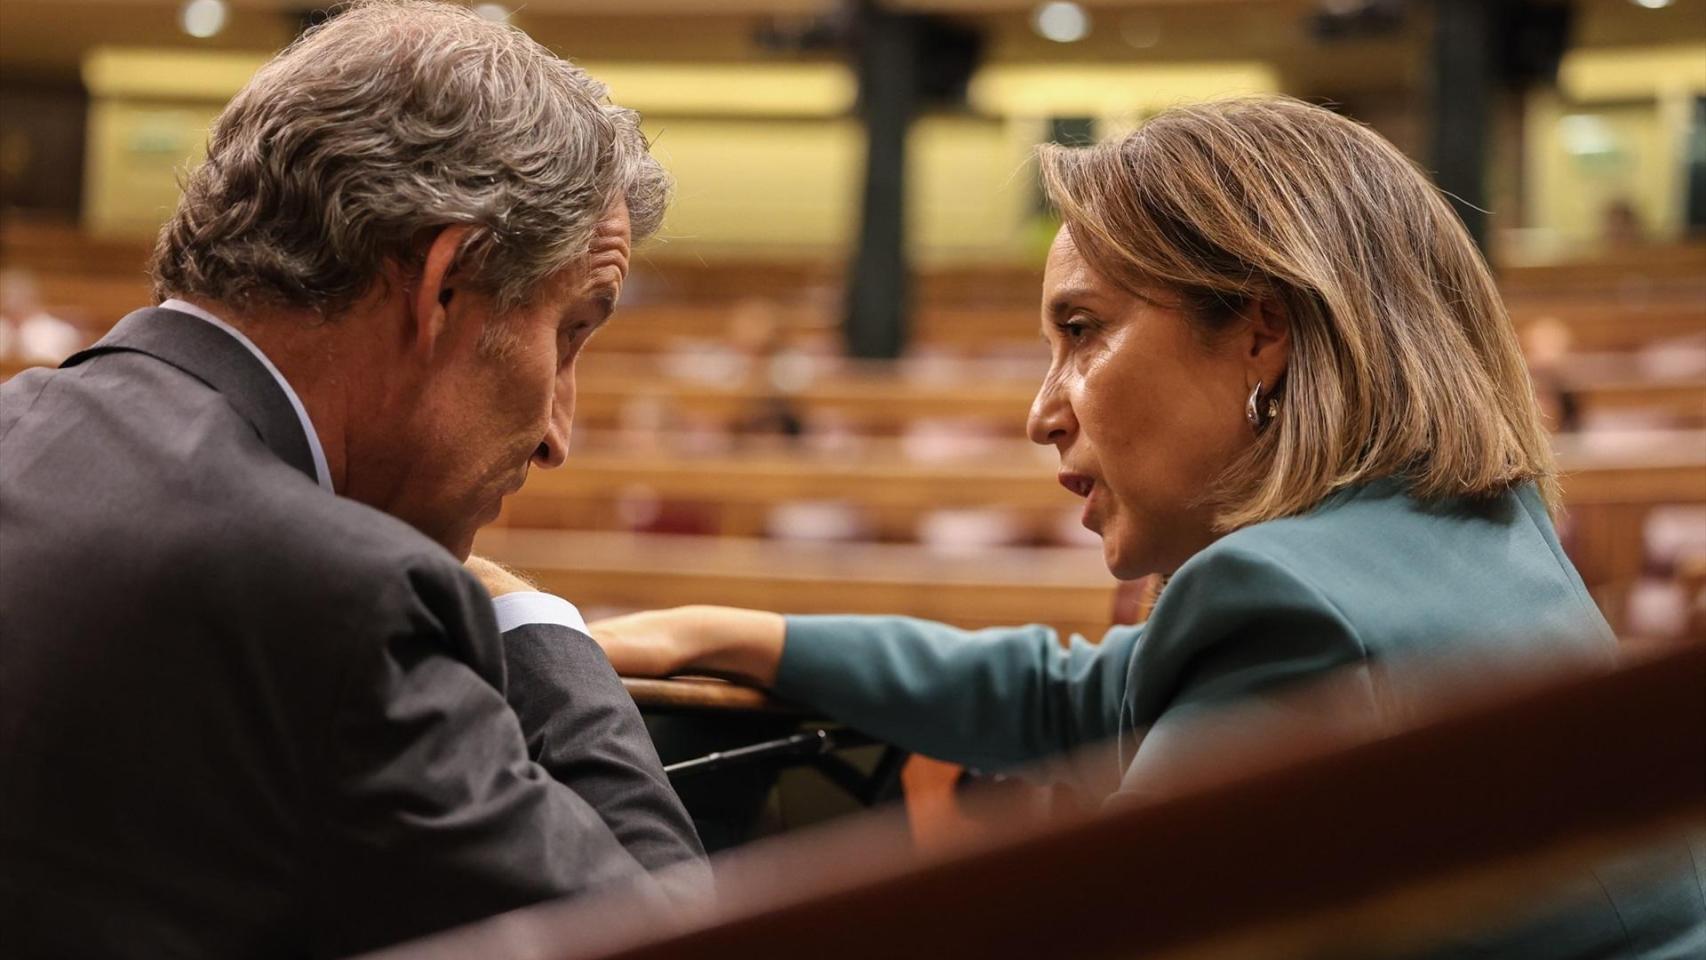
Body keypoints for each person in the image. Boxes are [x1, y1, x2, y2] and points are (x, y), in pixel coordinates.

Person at [592, 97, 1705, 956]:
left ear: (1260, 331)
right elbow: (1080, 693)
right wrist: (731, 633)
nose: (1041, 410)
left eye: (1082, 331)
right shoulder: (1454, 527)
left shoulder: (1296, 608)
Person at [0, 3, 707, 957]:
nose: (555, 437)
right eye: (570, 332)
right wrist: (538, 629)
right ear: (445, 285)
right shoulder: (343, 604)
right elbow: (683, 937)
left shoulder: (21, 427)